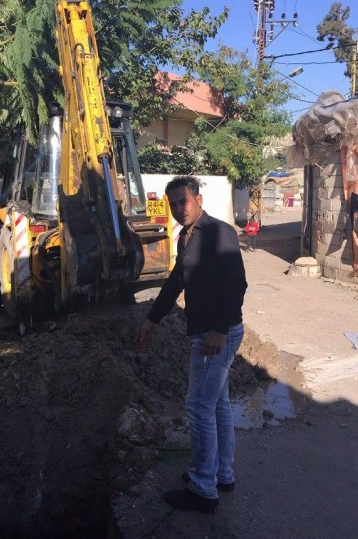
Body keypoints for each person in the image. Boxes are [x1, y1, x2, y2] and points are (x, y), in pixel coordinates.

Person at [136, 175, 247, 514]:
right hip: (206, 330)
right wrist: (152, 319)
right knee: (217, 404)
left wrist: (219, 330)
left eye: (183, 202)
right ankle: (221, 474)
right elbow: (175, 283)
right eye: (172, 204)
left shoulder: (218, 232)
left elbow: (237, 284)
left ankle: (202, 488)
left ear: (198, 200)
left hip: (216, 334)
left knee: (198, 407)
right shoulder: (187, 237)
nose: (178, 209)